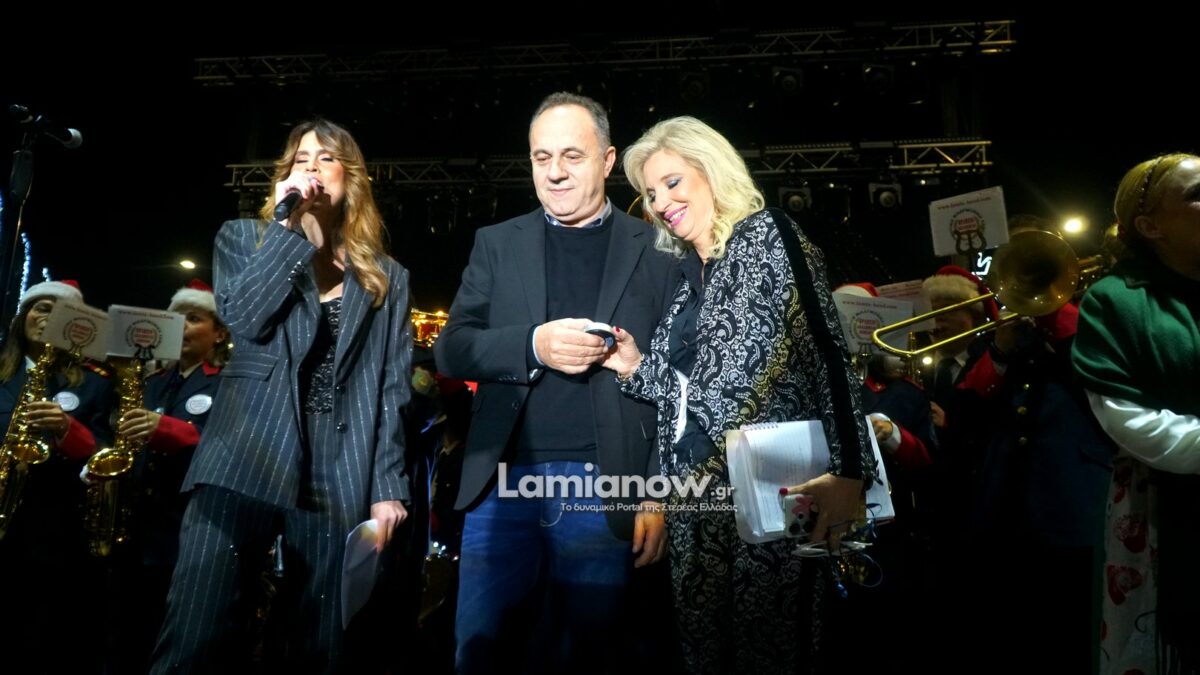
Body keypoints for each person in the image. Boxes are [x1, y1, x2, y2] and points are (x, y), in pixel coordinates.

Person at [603, 115, 875, 672]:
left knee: (774, 650)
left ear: (711, 169)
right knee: (706, 655)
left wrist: (851, 471)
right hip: (696, 507)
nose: (661, 203)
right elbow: (693, 396)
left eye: (672, 182)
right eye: (651, 194)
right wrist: (635, 365)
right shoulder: (685, 281)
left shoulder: (767, 235)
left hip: (777, 491)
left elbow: (827, 352)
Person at [151, 119, 413, 674]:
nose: (311, 168)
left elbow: (390, 386)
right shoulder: (243, 238)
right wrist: (290, 230)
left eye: (326, 158)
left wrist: (387, 485)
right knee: (198, 629)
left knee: (318, 643)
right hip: (244, 451)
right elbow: (246, 318)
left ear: (351, 178)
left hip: (337, 466)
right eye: (300, 159)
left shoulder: (386, 277)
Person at [434, 92, 677, 674]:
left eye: (572, 155)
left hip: (606, 483)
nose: (555, 171)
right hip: (502, 482)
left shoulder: (659, 250)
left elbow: (681, 382)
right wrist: (532, 346)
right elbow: (451, 347)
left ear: (608, 160)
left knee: (589, 656)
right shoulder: (497, 243)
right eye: (542, 157)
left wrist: (659, 489)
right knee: (480, 653)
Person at [1073, 153, 1200, 675]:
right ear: (1150, 226)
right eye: (1196, 194)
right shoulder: (1114, 300)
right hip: (1165, 505)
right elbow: (1131, 422)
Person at [99, 279, 229, 674]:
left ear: (219, 333)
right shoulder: (150, 383)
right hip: (138, 524)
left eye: (195, 318)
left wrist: (167, 430)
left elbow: (225, 444)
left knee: (169, 626)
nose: (183, 326)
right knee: (123, 628)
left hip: (187, 523)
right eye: (177, 318)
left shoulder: (226, 382)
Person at [0, 279, 114, 673]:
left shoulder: (97, 383)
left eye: (57, 310)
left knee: (42, 637)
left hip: (54, 529)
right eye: (39, 307)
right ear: (23, 318)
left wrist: (67, 430)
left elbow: (105, 455)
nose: (46, 316)